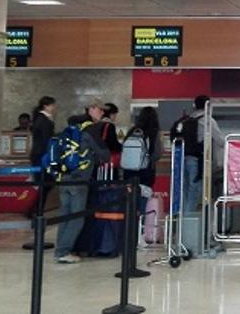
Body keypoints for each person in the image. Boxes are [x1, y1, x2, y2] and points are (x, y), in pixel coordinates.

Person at [54, 102, 112, 264]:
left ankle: (60, 249)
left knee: (64, 215)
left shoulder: (67, 131)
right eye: (100, 110)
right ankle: (63, 251)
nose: (101, 114)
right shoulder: (90, 131)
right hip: (79, 179)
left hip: (63, 177)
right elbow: (105, 154)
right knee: (77, 217)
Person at [177, 95, 224, 213]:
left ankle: (181, 219)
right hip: (197, 160)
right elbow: (221, 141)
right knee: (195, 191)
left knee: (185, 191)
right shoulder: (208, 120)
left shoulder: (187, 119)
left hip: (182, 158)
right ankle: (188, 222)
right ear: (208, 105)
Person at [123, 106, 161, 189]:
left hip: (128, 169)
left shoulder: (132, 131)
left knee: (130, 195)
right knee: (144, 195)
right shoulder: (154, 132)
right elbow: (157, 154)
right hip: (146, 170)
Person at [100, 102, 124, 174]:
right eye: (115, 114)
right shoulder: (109, 125)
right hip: (109, 160)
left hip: (99, 158)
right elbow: (112, 143)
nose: (115, 117)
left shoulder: (97, 124)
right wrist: (122, 147)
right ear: (111, 114)